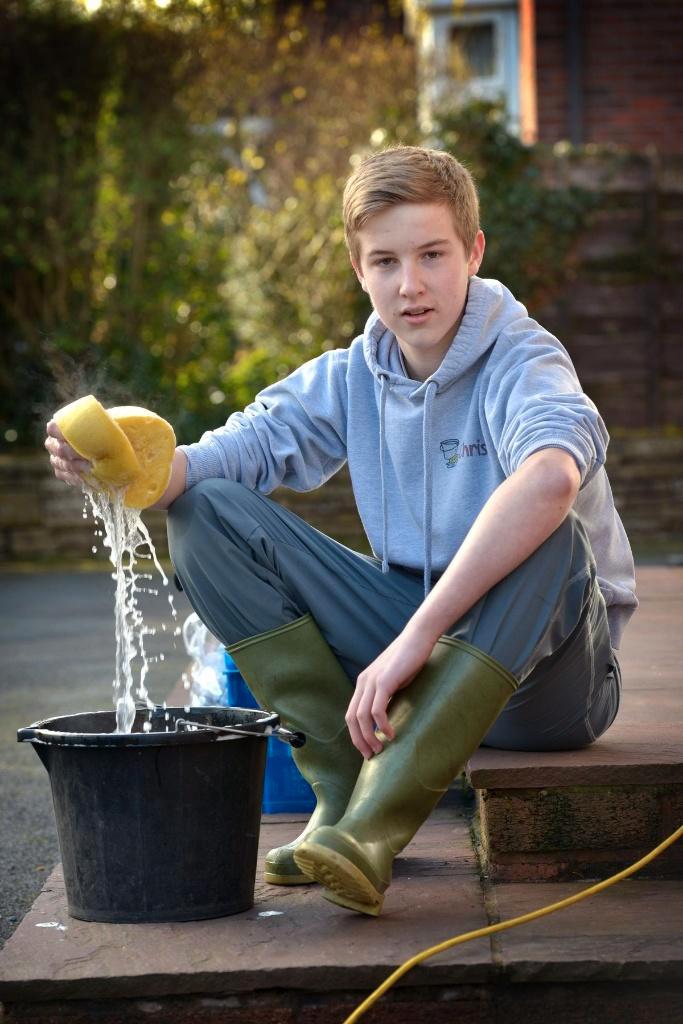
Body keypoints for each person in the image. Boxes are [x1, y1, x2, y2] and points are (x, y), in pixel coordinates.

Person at [46, 145, 637, 917]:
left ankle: (377, 822)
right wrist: (120, 466)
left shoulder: (522, 360)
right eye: (385, 261)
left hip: (548, 688)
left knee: (549, 528)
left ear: (473, 251)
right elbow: (222, 458)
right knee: (206, 510)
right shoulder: (353, 374)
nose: (409, 284)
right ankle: (340, 785)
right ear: (359, 269)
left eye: (431, 254)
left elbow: (552, 478)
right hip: (426, 648)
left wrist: (413, 640)